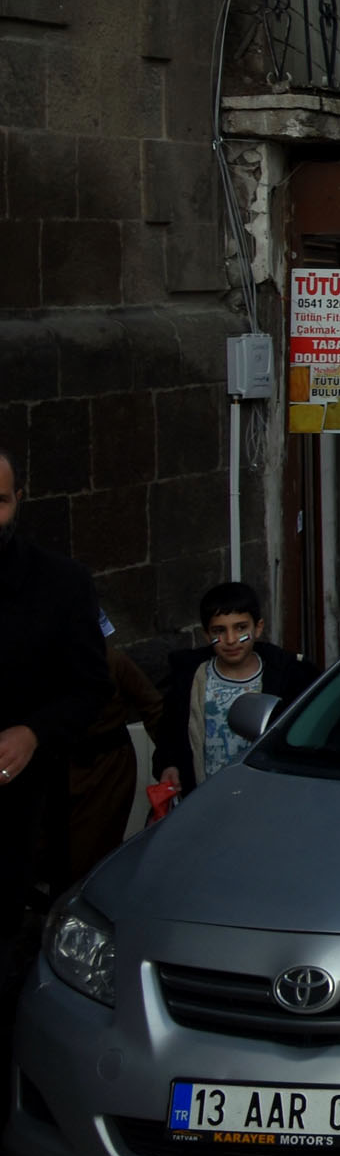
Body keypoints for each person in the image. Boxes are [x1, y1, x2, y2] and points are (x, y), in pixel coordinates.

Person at [0, 447, 112, 1093]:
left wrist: (33, 732)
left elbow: (89, 689)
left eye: (1, 498)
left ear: (19, 501)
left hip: (16, 813)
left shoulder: (60, 584)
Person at [154, 581, 318, 796]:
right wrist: (169, 765)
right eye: (219, 631)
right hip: (205, 798)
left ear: (258, 628)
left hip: (265, 797)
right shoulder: (190, 680)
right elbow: (170, 734)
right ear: (206, 634)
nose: (231, 640)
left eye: (240, 628)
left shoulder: (286, 677)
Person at [65, 622, 168, 885]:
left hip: (107, 769)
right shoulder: (44, 664)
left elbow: (153, 707)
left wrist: (170, 760)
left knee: (91, 850)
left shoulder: (113, 661)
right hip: (61, 767)